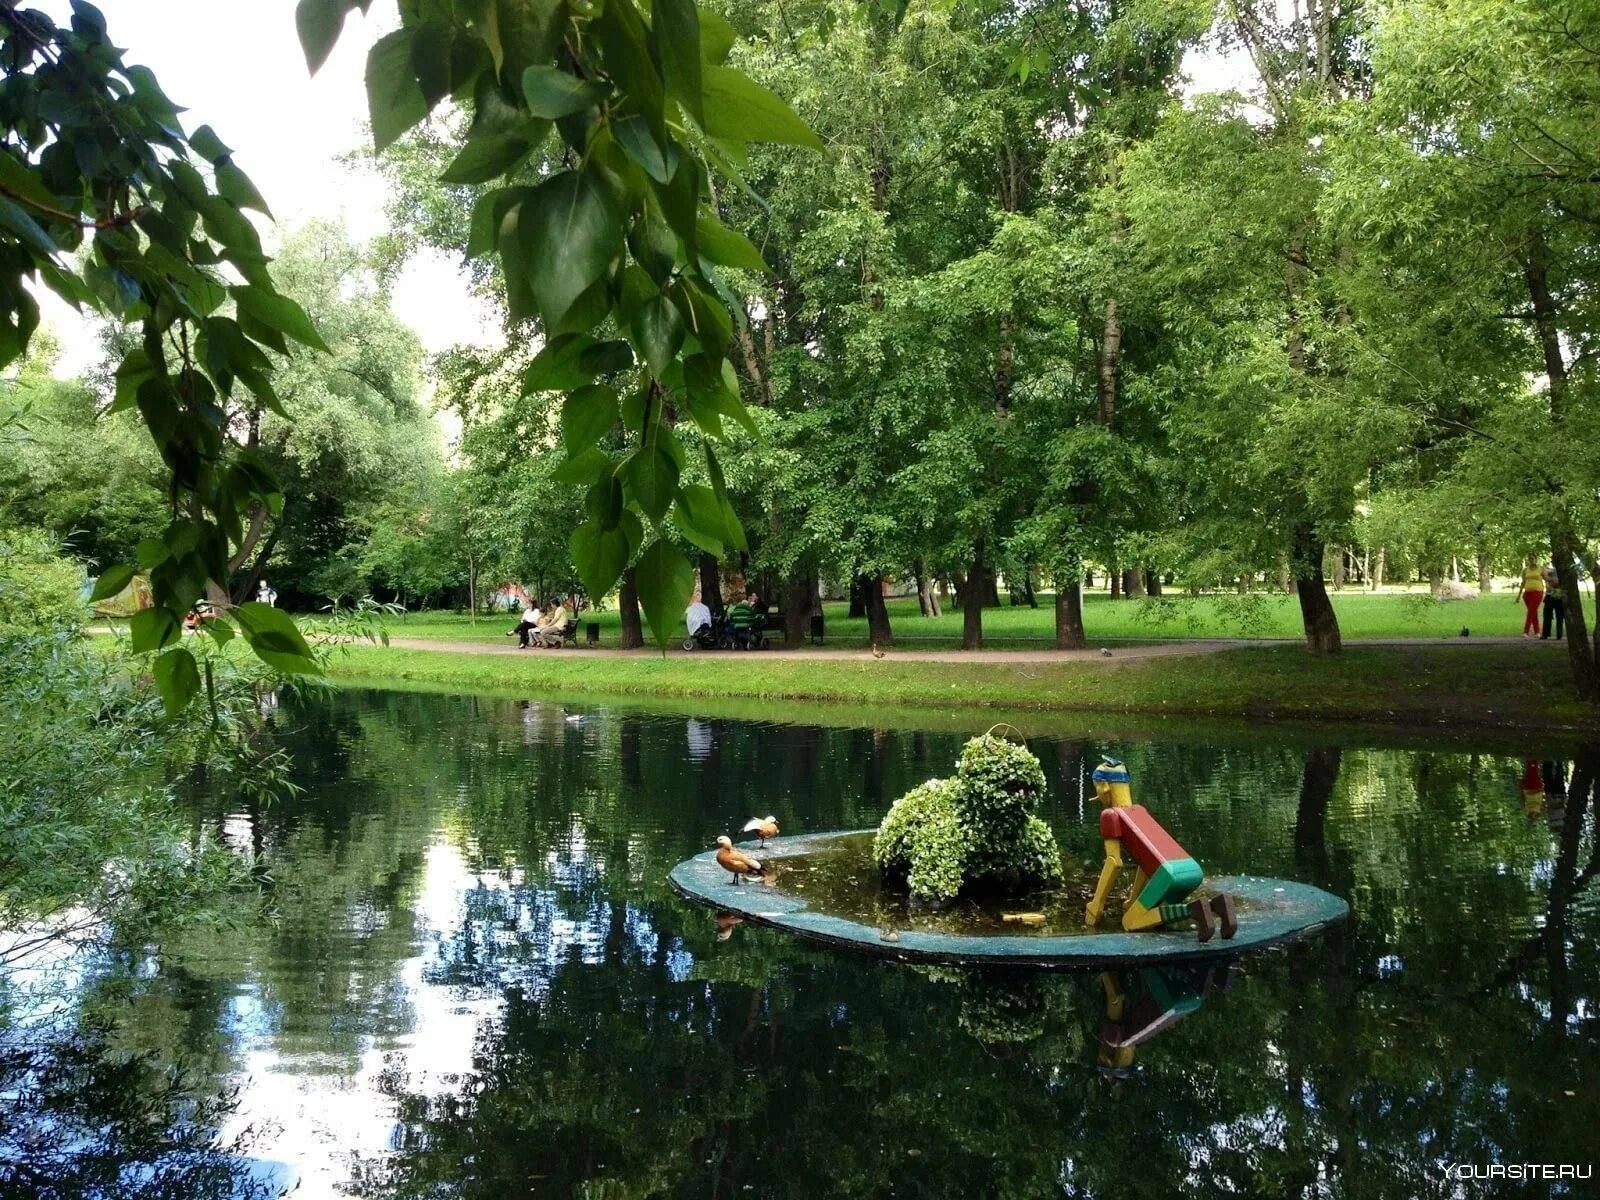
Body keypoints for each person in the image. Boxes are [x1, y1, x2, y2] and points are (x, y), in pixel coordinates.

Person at [1514, 557, 1545, 638]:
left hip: (1538, 592)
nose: (1532, 561)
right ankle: (1537, 632)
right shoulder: (1525, 570)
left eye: (1533, 559)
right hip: (1527, 593)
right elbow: (1523, 582)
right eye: (1530, 559)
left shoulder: (1540, 568)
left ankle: (1526, 631)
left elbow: (1546, 579)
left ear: (1536, 559)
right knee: (1533, 612)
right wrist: (1519, 596)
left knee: (1530, 612)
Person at [1542, 564, 1566, 641]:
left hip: (1558, 596)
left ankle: (1559, 635)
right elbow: (1545, 576)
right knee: (1547, 615)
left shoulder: (1562, 571)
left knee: (1559, 616)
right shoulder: (1550, 570)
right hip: (1549, 596)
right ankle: (1545, 634)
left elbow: (1556, 582)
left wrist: (1551, 580)